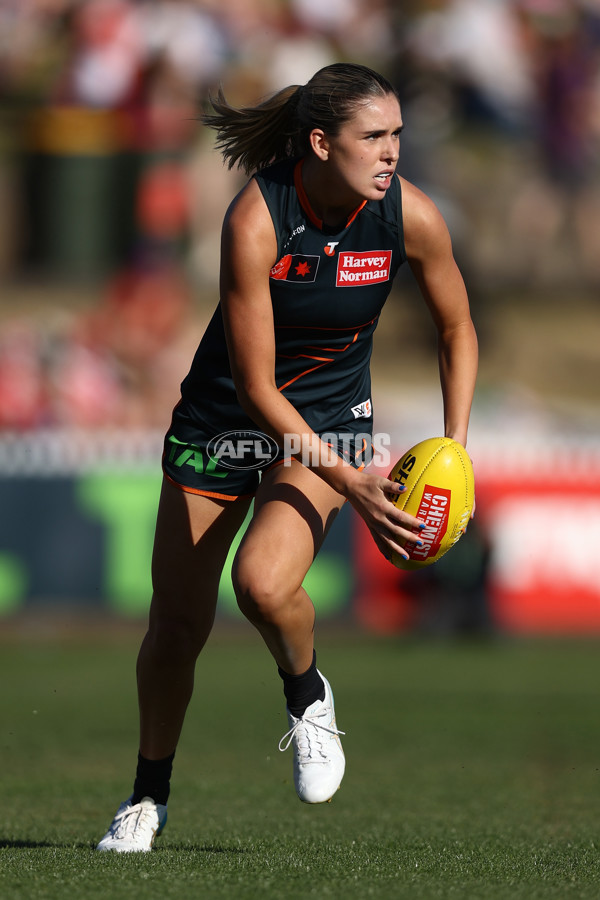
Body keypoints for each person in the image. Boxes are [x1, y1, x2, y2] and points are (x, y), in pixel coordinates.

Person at [97, 62, 478, 852]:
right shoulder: (257, 219)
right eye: (373, 137)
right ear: (319, 141)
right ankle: (147, 797)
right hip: (227, 419)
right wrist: (356, 485)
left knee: (264, 587)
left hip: (333, 420)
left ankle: (308, 699)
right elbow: (257, 386)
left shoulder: (411, 216)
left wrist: (455, 450)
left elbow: (457, 330)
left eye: (397, 135)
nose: (391, 153)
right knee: (175, 625)